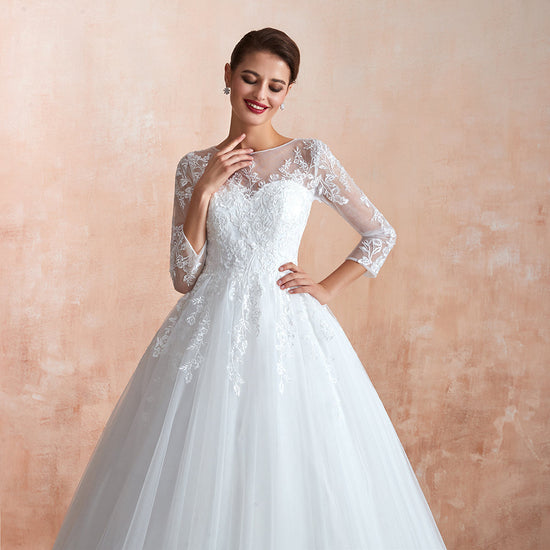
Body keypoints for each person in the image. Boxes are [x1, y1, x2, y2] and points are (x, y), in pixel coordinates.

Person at [52, 27, 447, 549]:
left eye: (275, 87)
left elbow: (380, 234)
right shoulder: (194, 166)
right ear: (228, 75)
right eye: (250, 78)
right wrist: (204, 190)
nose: (261, 95)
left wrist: (327, 287)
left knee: (290, 461)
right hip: (207, 334)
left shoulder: (309, 157)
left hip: (288, 334)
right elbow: (183, 277)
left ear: (288, 92)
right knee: (199, 464)